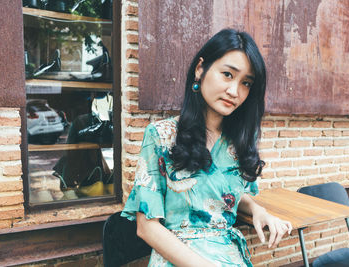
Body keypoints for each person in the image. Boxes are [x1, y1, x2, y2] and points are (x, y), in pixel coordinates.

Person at [121, 28, 292, 267]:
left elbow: (228, 191)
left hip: (228, 256)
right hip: (178, 258)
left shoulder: (239, 141)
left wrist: (257, 209)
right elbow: (147, 227)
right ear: (200, 69)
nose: (234, 91)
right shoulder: (161, 136)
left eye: (246, 83)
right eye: (227, 75)